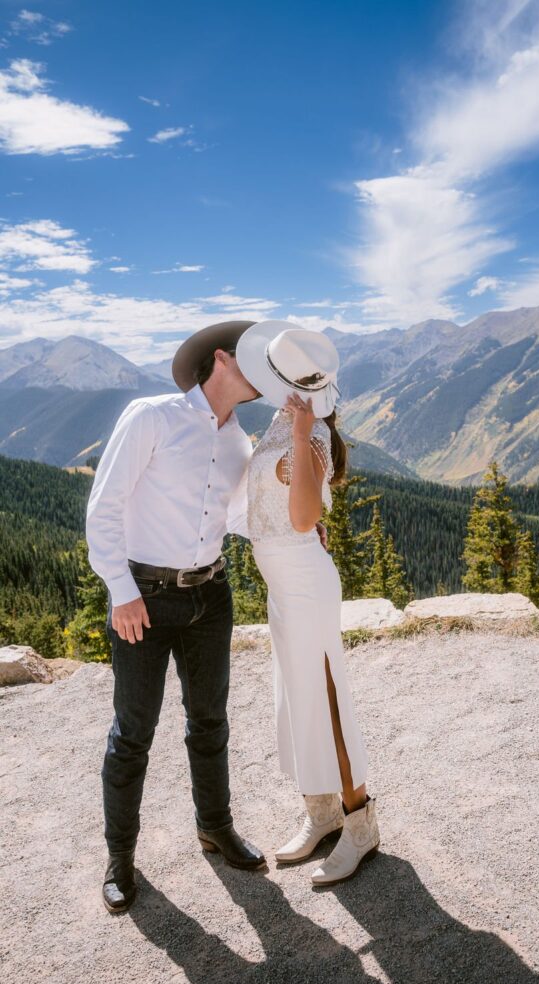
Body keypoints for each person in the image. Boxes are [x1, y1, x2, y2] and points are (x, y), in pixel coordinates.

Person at [86, 321, 270, 914]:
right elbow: (104, 505)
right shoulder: (153, 417)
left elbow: (234, 518)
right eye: (252, 362)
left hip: (211, 595)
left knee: (210, 720)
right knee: (133, 731)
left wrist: (295, 526)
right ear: (221, 359)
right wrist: (120, 589)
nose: (262, 375)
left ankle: (214, 827)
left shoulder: (240, 441)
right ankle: (120, 857)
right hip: (143, 595)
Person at [234, 320, 380, 885]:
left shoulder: (309, 433)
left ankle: (361, 823)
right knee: (295, 697)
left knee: (325, 693)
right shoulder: (283, 421)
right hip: (283, 581)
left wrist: (300, 437)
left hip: (303, 582)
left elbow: (302, 518)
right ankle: (322, 812)